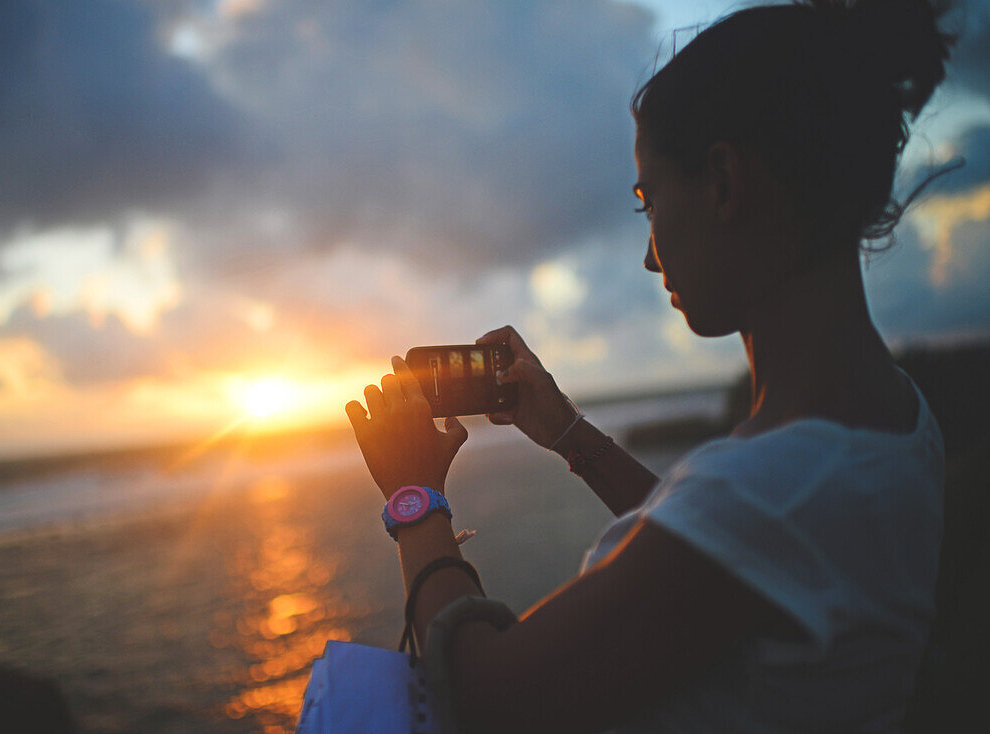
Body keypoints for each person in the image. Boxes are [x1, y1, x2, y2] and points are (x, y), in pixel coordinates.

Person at [344, 0, 959, 731]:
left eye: (648, 200)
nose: (648, 254)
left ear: (724, 183)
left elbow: (483, 699)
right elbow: (711, 550)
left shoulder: (774, 491)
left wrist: (415, 500)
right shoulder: (894, 418)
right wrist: (569, 433)